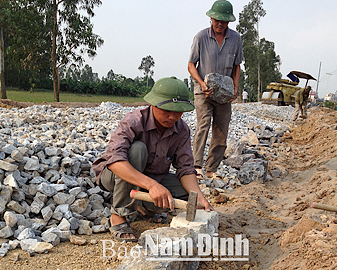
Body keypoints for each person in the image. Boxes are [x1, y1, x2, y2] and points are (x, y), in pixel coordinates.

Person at [92, 77, 214, 242]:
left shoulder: (182, 130)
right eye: (167, 110)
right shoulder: (134, 121)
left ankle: (146, 209)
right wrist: (152, 185)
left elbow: (185, 168)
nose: (172, 117)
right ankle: (119, 215)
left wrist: (198, 195)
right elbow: (114, 160)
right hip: (115, 178)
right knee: (137, 150)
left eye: (178, 111)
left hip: (152, 178)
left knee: (188, 192)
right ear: (154, 104)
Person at [188, 0, 244, 180]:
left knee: (221, 130)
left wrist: (235, 88)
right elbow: (191, 65)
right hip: (203, 91)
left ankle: (211, 168)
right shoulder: (201, 37)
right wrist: (202, 84)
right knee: (203, 125)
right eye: (217, 20)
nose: (220, 24)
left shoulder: (235, 39)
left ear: (229, 21)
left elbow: (237, 66)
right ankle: (196, 166)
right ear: (211, 18)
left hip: (224, 94)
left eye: (224, 21)